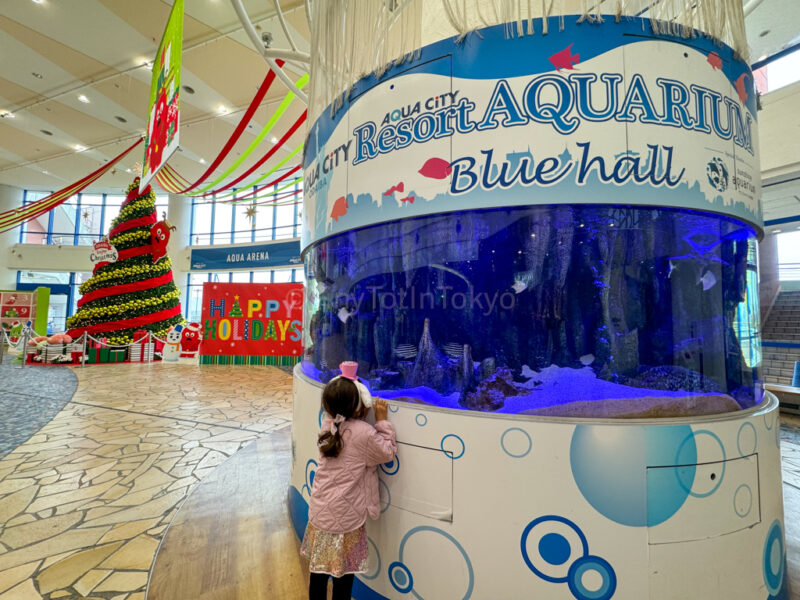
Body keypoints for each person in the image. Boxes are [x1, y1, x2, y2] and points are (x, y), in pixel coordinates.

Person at [301, 361, 397, 600]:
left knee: (318, 572)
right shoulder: (364, 433)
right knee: (343, 575)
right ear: (360, 405)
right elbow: (386, 452)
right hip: (347, 519)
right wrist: (382, 421)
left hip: (320, 513)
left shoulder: (328, 424)